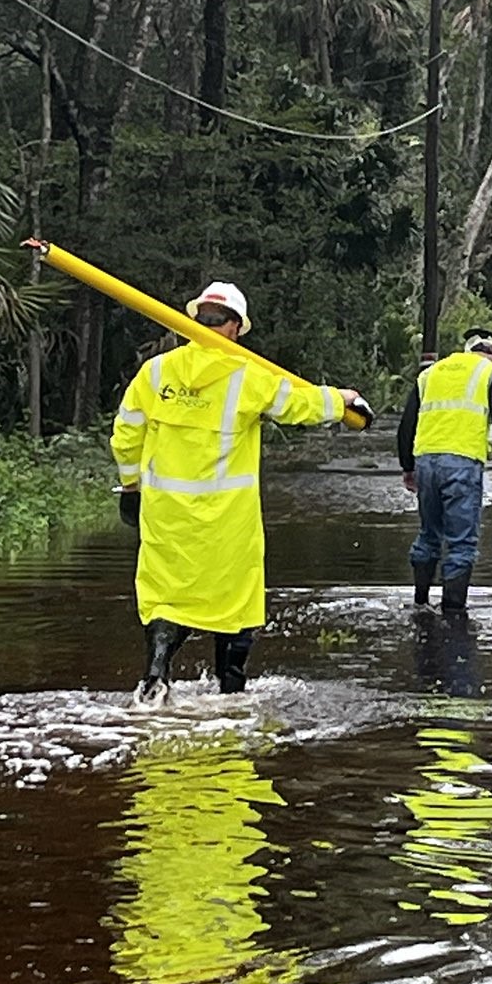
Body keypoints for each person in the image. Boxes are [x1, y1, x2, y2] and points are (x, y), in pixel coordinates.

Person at [111, 279, 363, 703]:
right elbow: (299, 405)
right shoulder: (249, 376)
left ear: (195, 319)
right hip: (227, 521)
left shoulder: (154, 373)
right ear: (234, 327)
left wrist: (131, 487)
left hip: (166, 516)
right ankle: (231, 695)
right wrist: (342, 400)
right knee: (236, 604)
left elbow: (125, 434)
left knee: (165, 598)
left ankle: (156, 676)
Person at [397, 329, 492, 613]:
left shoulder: (430, 373)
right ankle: (453, 616)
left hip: (425, 463)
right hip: (463, 464)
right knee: (461, 544)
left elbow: (406, 425)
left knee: (429, 534)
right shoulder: (491, 374)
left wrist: (407, 466)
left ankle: (420, 604)